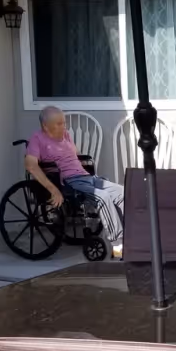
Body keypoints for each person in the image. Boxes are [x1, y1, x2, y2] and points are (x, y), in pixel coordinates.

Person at [26, 106, 124, 257]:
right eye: (58, 124)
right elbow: (31, 165)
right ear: (45, 126)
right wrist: (54, 190)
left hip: (87, 177)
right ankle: (119, 246)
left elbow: (77, 157)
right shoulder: (37, 139)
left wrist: (90, 174)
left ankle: (132, 237)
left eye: (64, 123)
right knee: (102, 197)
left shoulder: (66, 135)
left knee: (123, 193)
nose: (64, 127)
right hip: (70, 182)